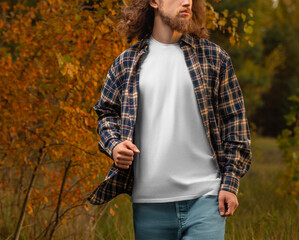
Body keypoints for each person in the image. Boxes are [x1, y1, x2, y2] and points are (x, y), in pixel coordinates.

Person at [87, 0, 252, 239]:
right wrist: (114, 145)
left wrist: (230, 183)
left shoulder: (214, 58)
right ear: (154, 2)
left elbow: (235, 122)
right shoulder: (126, 62)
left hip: (205, 199)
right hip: (149, 204)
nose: (187, 1)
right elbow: (106, 113)